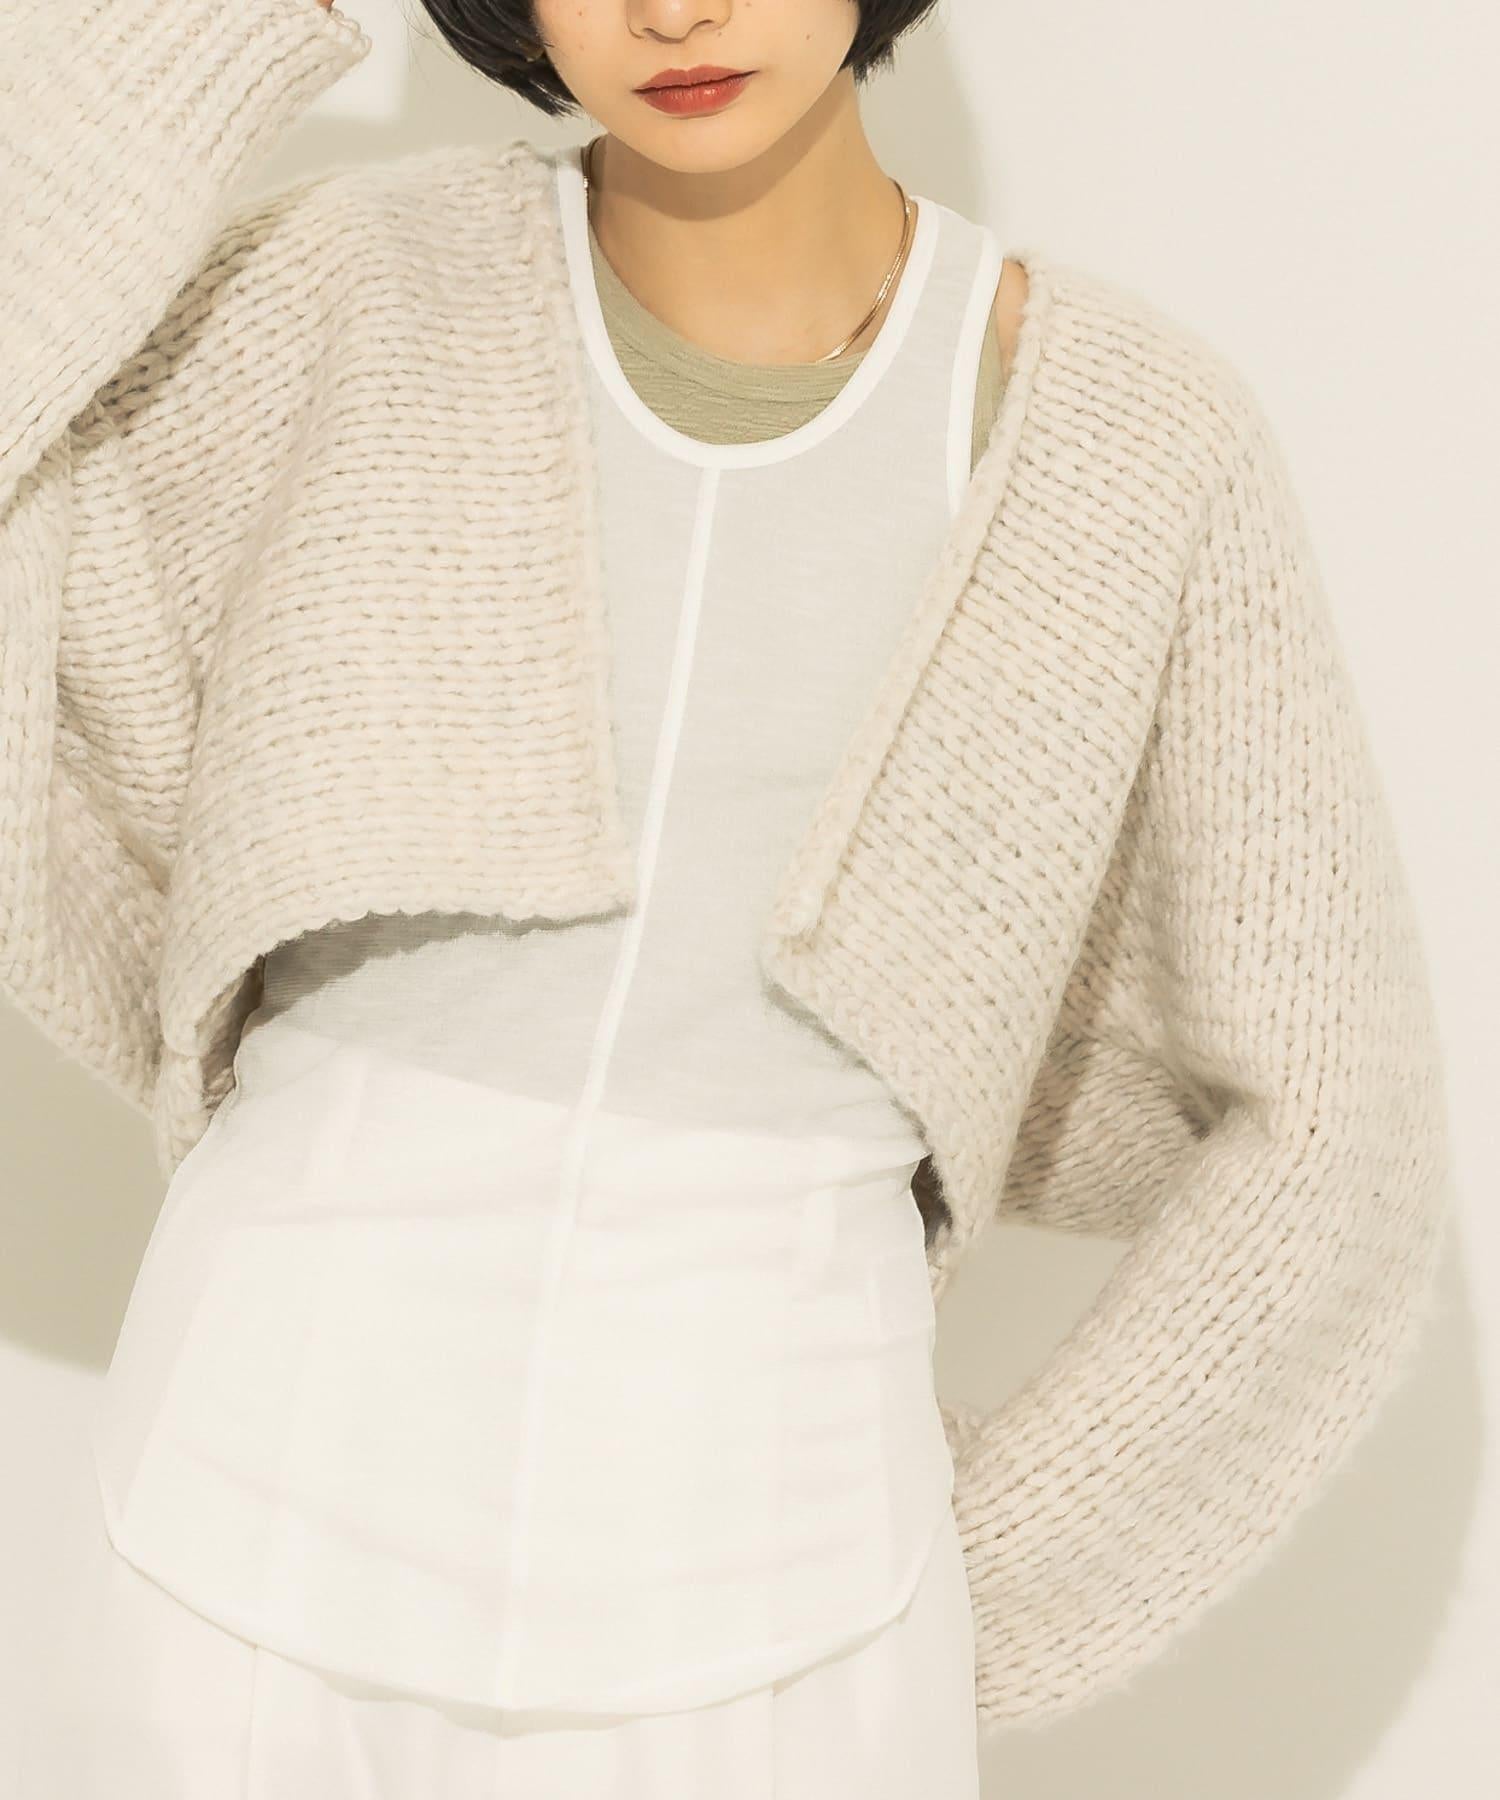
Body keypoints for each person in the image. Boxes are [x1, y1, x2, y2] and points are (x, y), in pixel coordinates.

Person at [1, 2, 1452, 1795]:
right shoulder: (342, 292)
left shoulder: (1134, 437)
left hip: (783, 1583)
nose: (671, 8)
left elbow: (1340, 1131)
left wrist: (968, 1580)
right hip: (241, 1521)